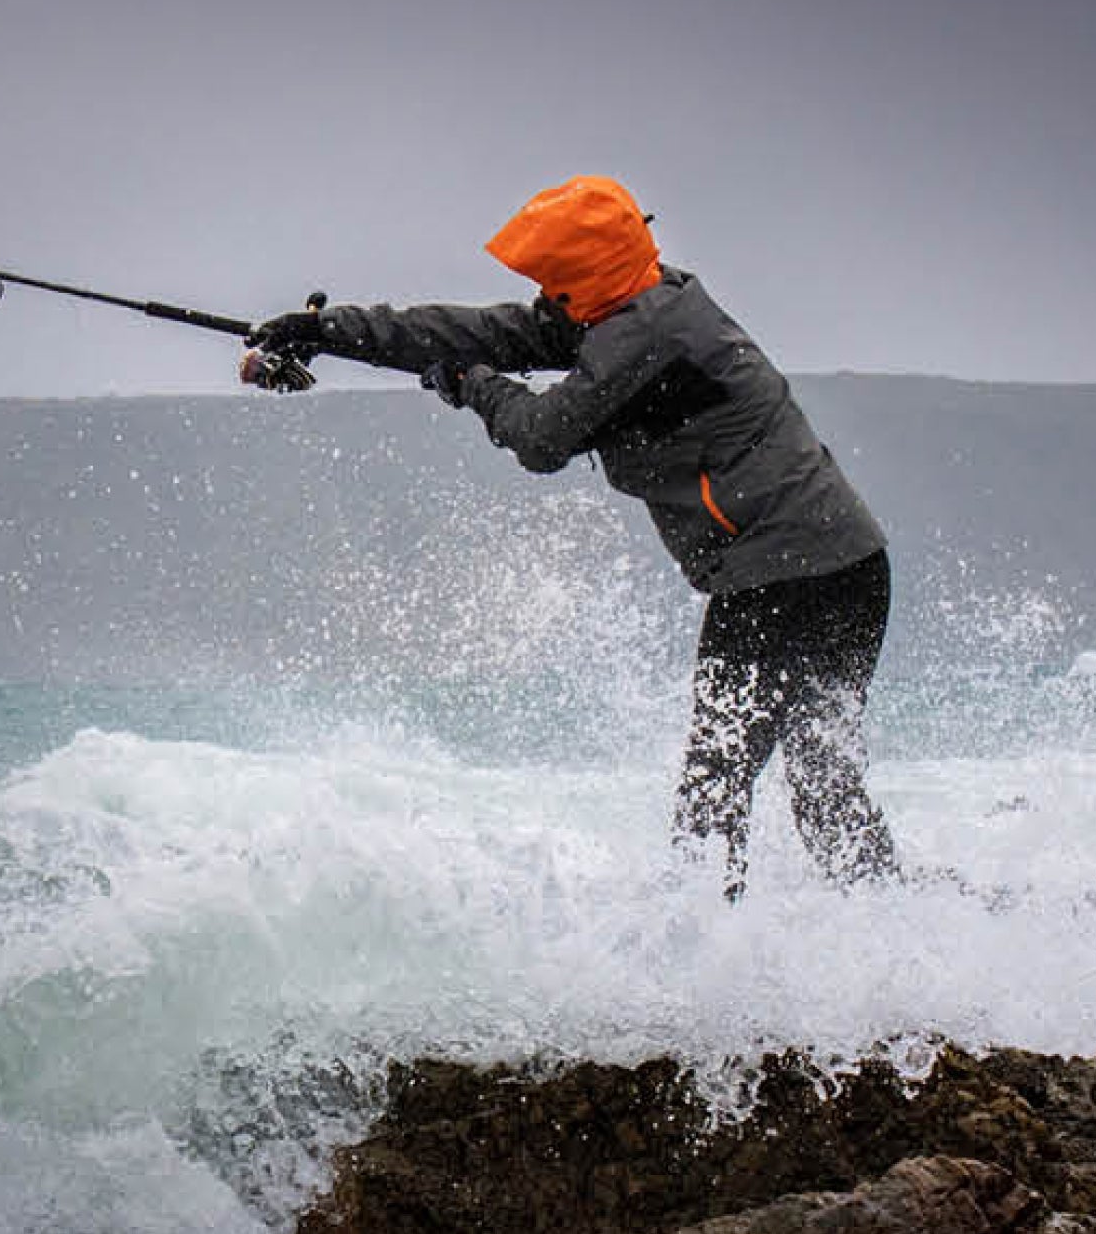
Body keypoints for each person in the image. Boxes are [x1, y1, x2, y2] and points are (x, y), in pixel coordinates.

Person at [243, 174, 900, 896]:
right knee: (821, 778)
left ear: (589, 273)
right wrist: (328, 331)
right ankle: (892, 926)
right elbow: (480, 333)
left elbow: (541, 437)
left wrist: (474, 387)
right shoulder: (642, 298)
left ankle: (705, 945)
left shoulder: (643, 336)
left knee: (716, 785)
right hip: (851, 568)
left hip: (781, 578)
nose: (543, 293)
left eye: (554, 278)